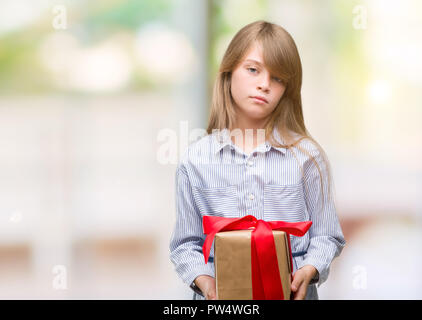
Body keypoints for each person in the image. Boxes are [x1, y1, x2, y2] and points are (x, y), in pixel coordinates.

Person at [169, 20, 346, 300]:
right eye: (253, 70)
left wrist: (309, 269)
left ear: (287, 89)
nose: (264, 84)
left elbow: (327, 236)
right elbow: (185, 244)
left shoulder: (307, 158)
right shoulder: (195, 160)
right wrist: (207, 284)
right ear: (229, 72)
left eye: (278, 79)